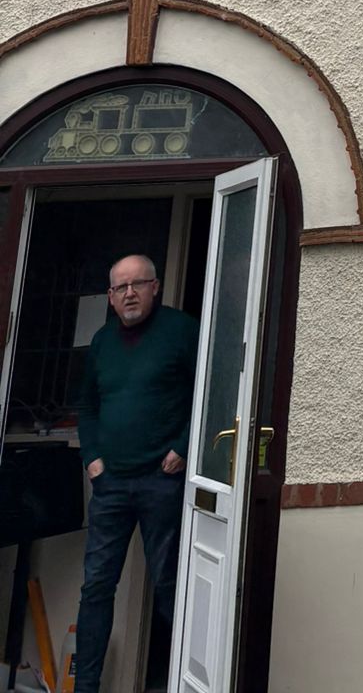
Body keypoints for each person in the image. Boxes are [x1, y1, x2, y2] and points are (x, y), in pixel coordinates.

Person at [73, 254, 199, 693]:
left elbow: (213, 388)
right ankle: (85, 685)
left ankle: (183, 681)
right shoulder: (102, 341)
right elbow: (87, 406)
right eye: (120, 287)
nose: (129, 293)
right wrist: (92, 458)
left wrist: (183, 447)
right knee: (96, 588)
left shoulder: (181, 331)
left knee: (169, 583)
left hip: (160, 481)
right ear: (109, 297)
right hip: (110, 486)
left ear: (155, 287)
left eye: (137, 284)